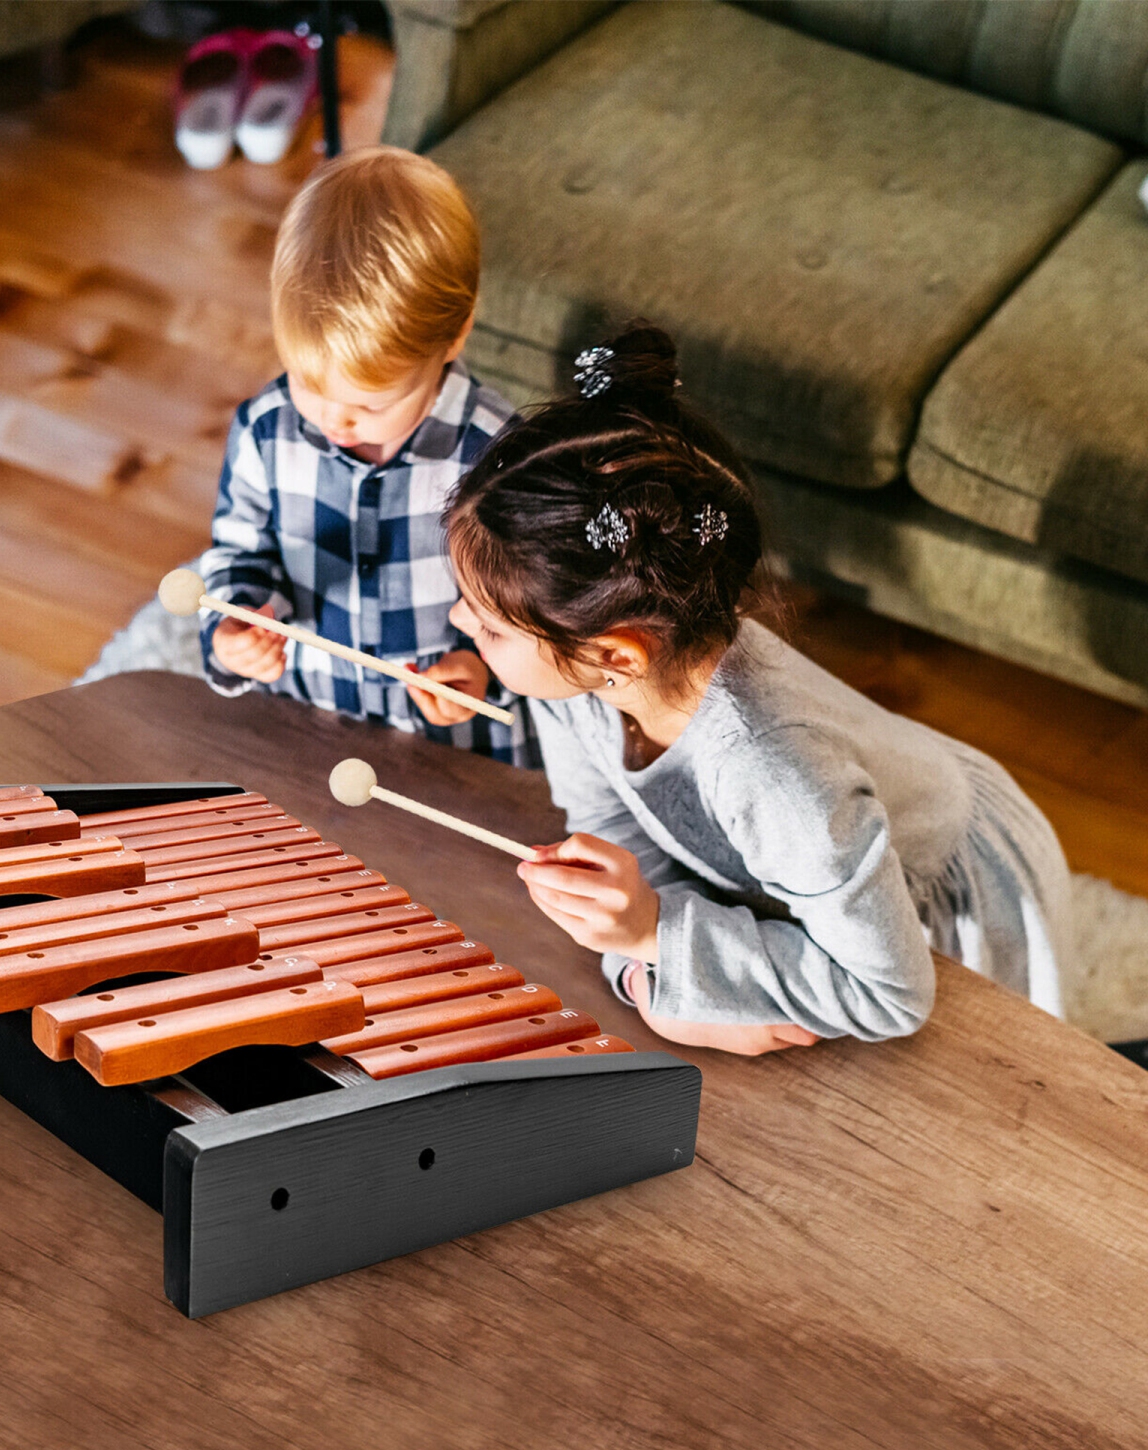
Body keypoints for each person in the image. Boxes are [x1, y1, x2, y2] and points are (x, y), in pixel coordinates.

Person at [442, 324, 1072, 1054]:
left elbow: (891, 994)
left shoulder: (775, 775)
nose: (459, 620)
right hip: (803, 869)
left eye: (488, 628)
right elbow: (607, 820)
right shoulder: (581, 677)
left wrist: (656, 934)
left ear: (616, 652)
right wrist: (642, 961)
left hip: (937, 905)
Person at [82, 145, 532, 762]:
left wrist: (480, 666)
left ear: (454, 336)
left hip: (451, 741)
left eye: (372, 405)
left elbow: (531, 601)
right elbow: (240, 554)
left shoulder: (497, 451)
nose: (335, 418)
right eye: (308, 383)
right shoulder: (267, 430)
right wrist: (232, 629)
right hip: (310, 723)